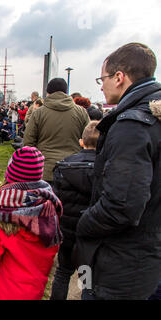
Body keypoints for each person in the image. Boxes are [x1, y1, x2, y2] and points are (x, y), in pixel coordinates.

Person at [75, 42, 161, 300]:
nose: (101, 86)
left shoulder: (132, 126)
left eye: (102, 79)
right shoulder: (152, 118)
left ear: (119, 77)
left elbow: (122, 205)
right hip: (145, 252)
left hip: (121, 261)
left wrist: (84, 223)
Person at [0, 147, 62, 300]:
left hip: (7, 290)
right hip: (35, 287)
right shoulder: (50, 208)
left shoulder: (0, 213)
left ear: (10, 175)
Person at [50, 121, 100, 300]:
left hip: (67, 231)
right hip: (91, 233)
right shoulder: (107, 168)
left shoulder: (64, 166)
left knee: (63, 272)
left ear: (81, 142)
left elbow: (55, 201)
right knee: (87, 278)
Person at [23, 78, 90, 184]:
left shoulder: (39, 113)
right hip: (73, 169)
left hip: (45, 170)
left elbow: (28, 143)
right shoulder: (81, 112)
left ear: (48, 93)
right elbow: (89, 141)